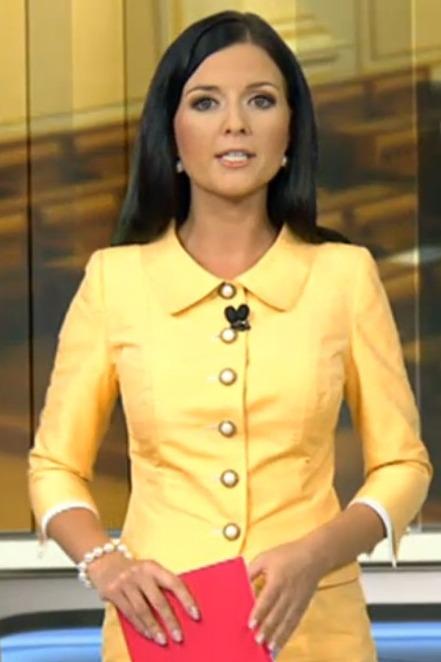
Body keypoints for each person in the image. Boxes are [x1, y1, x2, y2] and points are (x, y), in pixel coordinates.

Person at [28, 10, 432, 661]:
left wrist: (317, 553)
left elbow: (402, 464)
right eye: (205, 102)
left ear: (290, 132)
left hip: (316, 633)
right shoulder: (114, 281)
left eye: (261, 101)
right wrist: (106, 563)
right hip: (163, 630)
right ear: (171, 133)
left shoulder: (345, 276)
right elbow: (54, 466)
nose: (235, 123)